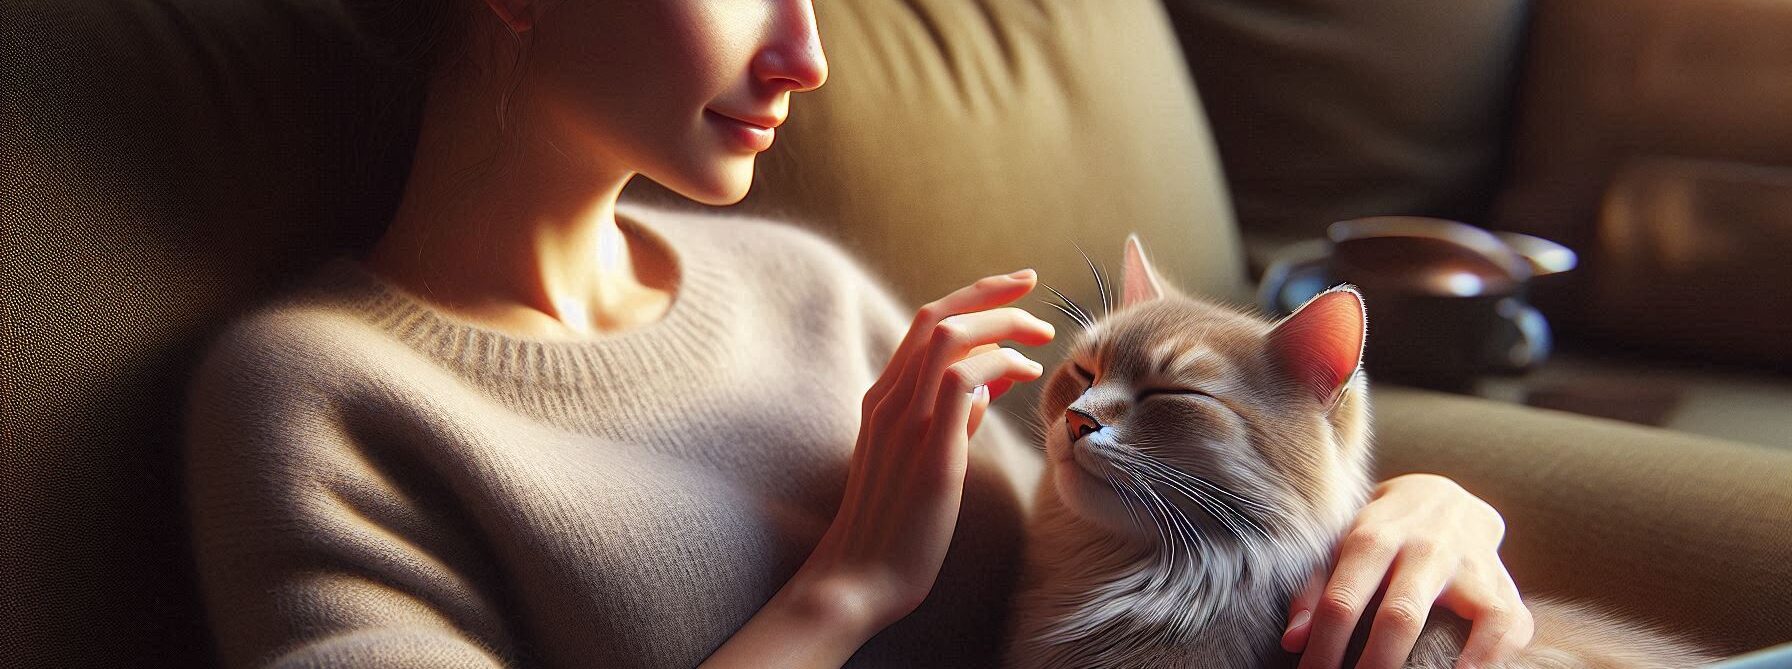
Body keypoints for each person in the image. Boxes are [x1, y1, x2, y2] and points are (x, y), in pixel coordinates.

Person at [181, 0, 1534, 667]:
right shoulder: (318, 399)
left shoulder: (799, 287)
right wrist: (837, 595)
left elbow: (1172, 536)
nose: (808, 51)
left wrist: (1403, 509)